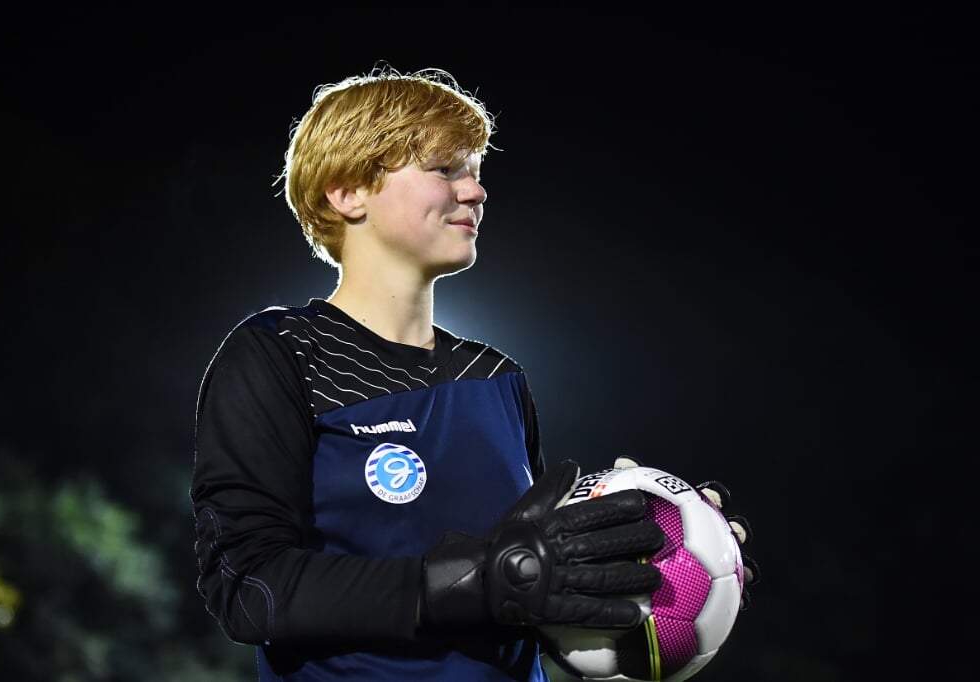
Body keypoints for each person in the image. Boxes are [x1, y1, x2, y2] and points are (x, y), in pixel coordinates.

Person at [190, 63, 757, 682]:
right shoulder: (279, 354)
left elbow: (528, 593)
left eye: (476, 172)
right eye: (445, 169)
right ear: (348, 192)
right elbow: (248, 586)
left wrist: (667, 559)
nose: (476, 191)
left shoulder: (496, 377)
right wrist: (472, 583)